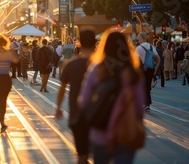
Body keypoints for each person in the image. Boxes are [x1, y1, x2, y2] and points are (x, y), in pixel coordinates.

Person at [79, 30, 145, 163]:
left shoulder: (96, 70)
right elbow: (139, 107)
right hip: (125, 132)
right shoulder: (132, 73)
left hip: (99, 133)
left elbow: (83, 102)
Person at [56, 29, 96, 164]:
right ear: (95, 43)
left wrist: (58, 107)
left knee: (82, 155)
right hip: (99, 114)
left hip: (77, 115)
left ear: (79, 44)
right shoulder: (102, 65)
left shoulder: (72, 64)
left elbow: (62, 88)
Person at [135, 32, 160, 112]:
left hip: (142, 69)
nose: (138, 40)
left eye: (138, 39)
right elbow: (158, 59)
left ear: (142, 38)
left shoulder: (139, 48)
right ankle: (147, 103)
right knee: (148, 86)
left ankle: (145, 104)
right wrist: (155, 69)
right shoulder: (152, 47)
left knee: (142, 86)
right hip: (151, 69)